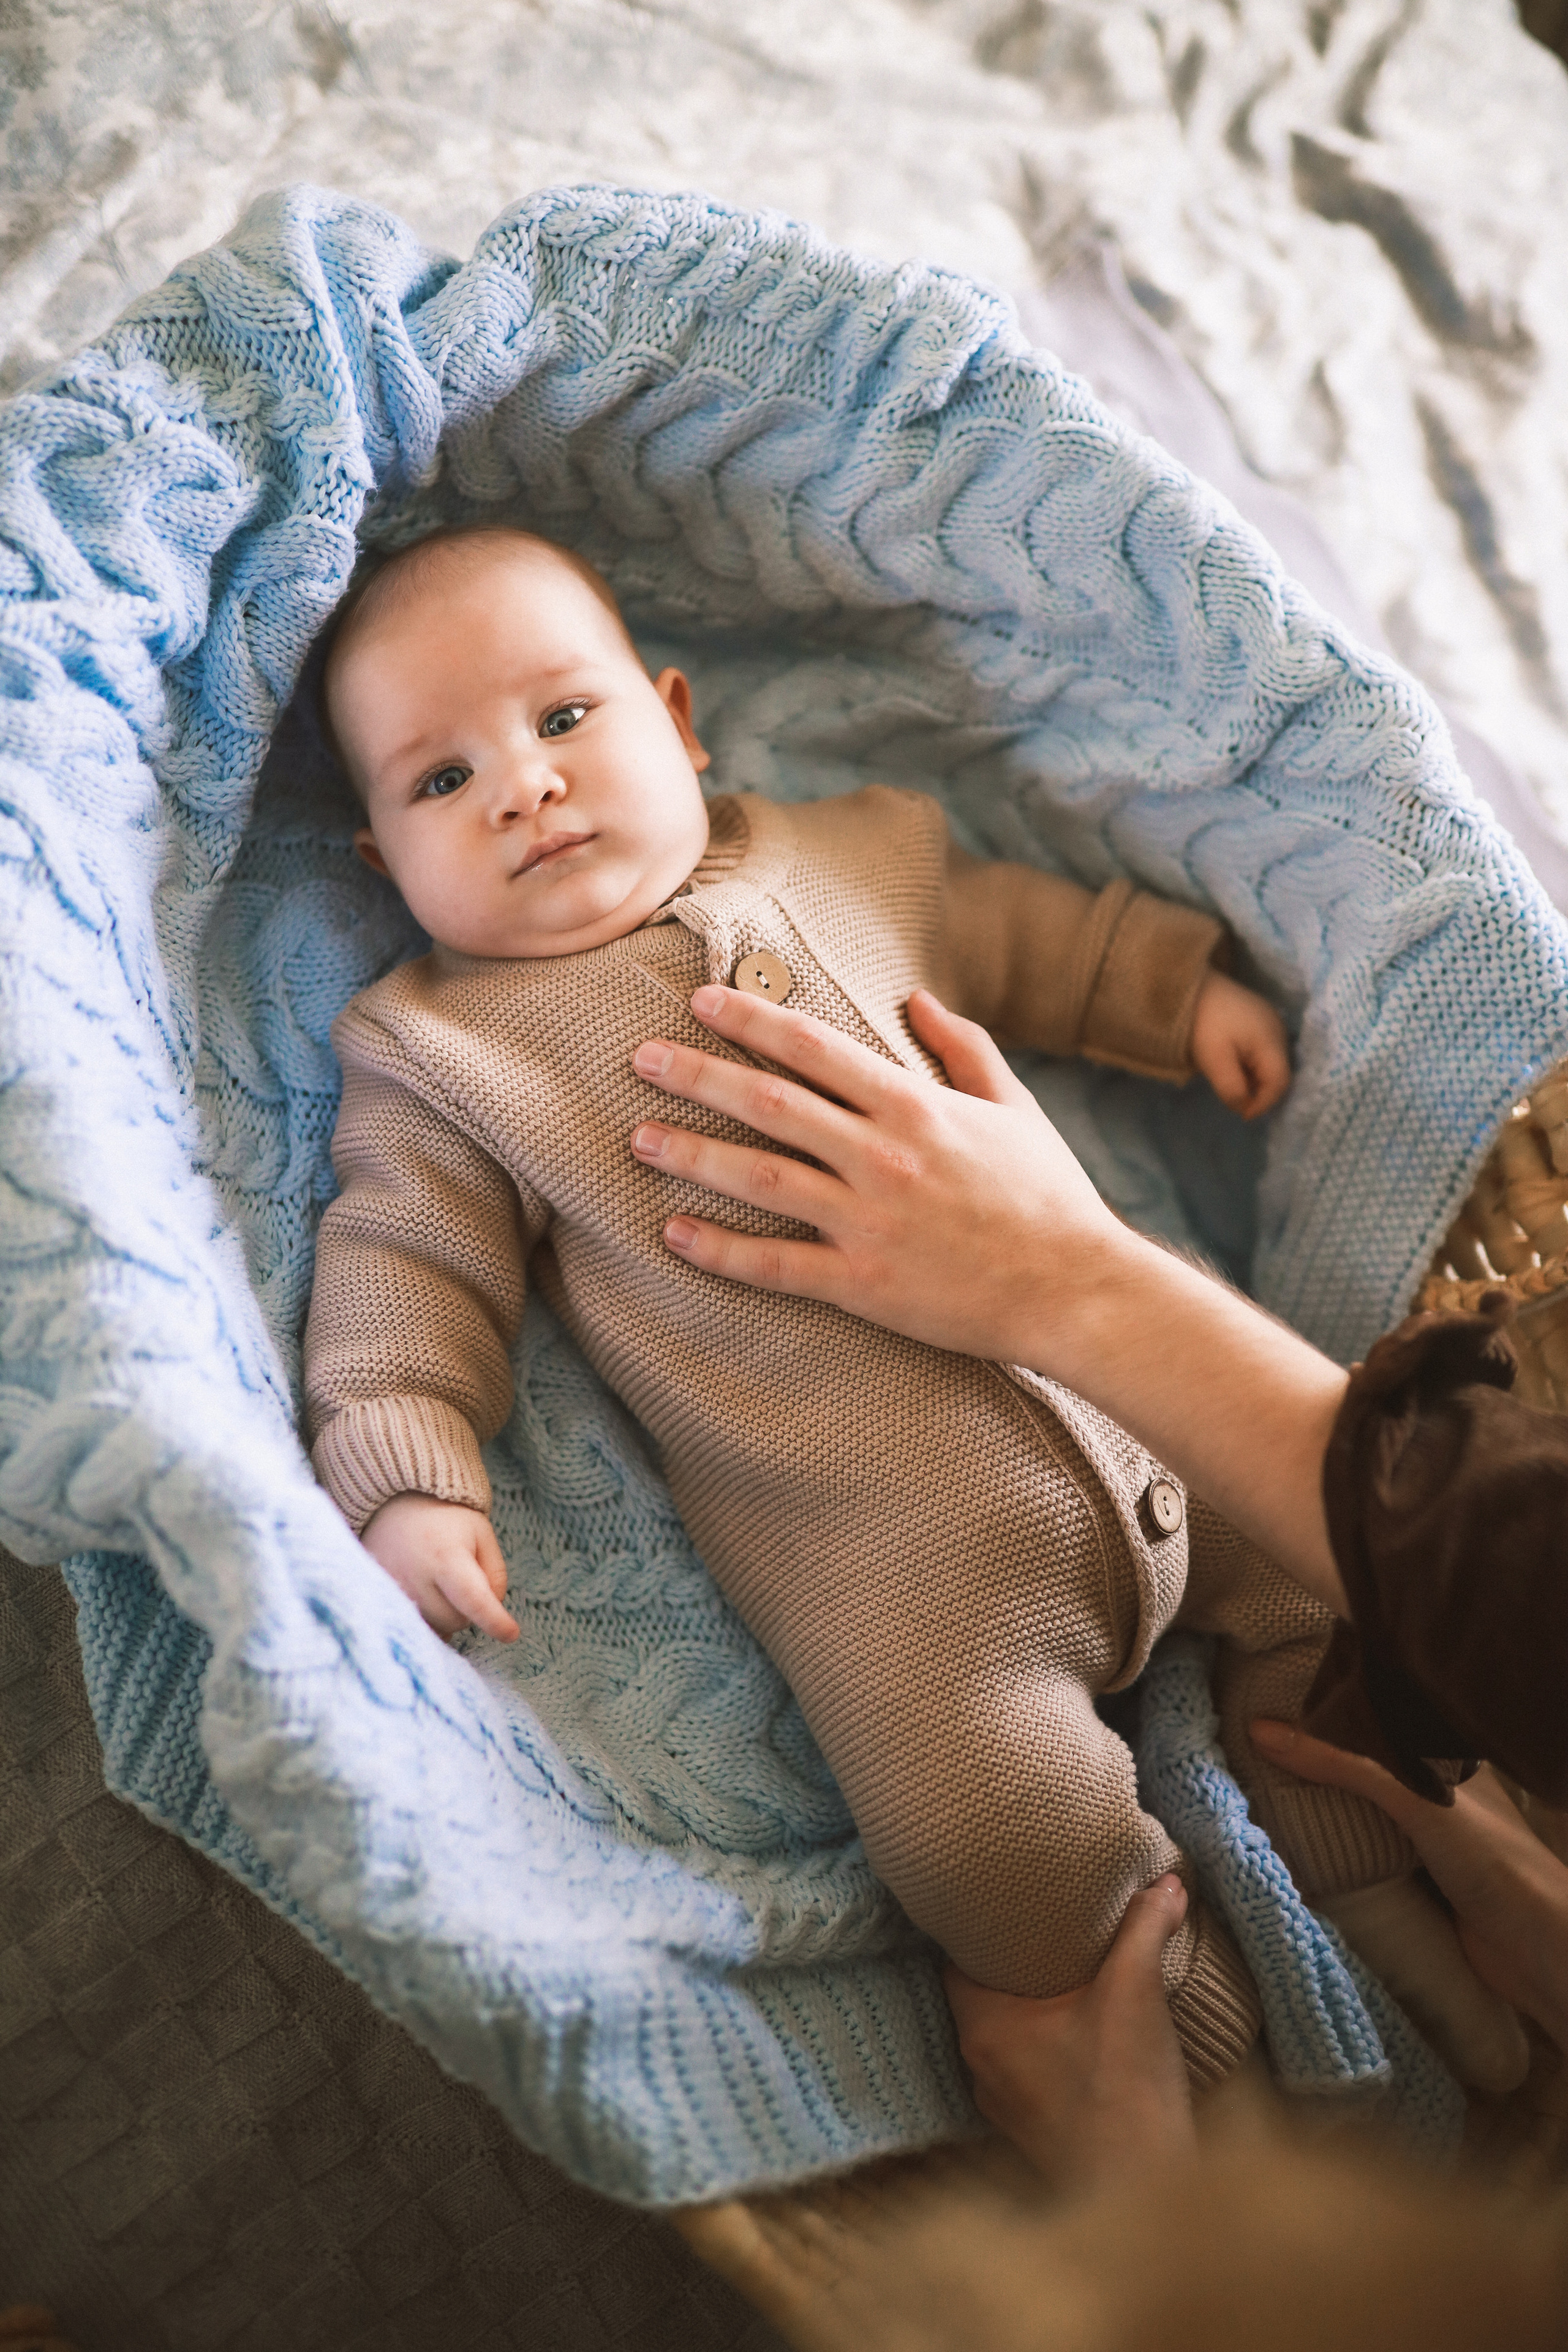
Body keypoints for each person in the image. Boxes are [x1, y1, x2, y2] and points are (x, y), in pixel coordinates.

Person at [302, 519, 1462, 2093]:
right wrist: (407, 1472)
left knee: (1327, 1594)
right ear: (385, 862)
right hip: (907, 1589)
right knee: (990, 1841)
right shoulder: (446, 1056)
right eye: (441, 780)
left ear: (677, 723)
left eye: (564, 716)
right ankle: (1204, 2060)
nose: (524, 786)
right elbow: (402, 1262)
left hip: (1156, 1391)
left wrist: (1169, 992)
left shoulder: (846, 856)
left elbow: (1016, 935)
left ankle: (1387, 1912)